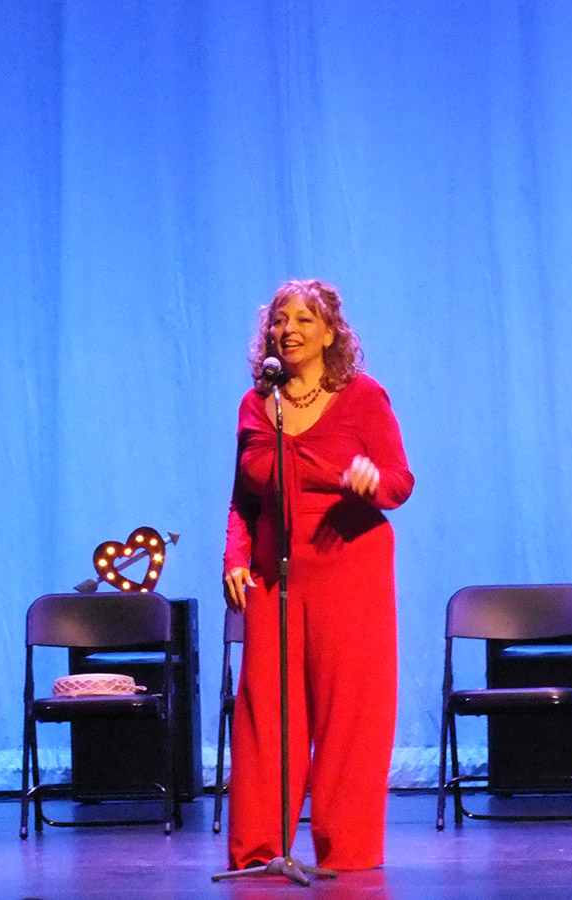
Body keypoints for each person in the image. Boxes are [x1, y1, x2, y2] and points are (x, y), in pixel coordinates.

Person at [223, 278, 414, 871]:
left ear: (330, 333)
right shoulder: (256, 405)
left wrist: (371, 483)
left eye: (305, 319)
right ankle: (260, 850)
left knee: (347, 711)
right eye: (281, 320)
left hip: (348, 567)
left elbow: (399, 481)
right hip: (274, 575)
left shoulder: (363, 396)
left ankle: (348, 849)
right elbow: (242, 500)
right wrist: (234, 558)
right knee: (265, 712)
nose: (290, 330)